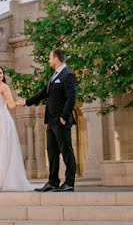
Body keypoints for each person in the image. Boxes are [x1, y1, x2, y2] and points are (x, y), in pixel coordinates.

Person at [17, 48, 77, 192]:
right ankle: (53, 182)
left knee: (66, 151)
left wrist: (64, 116)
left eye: (50, 58)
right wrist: (26, 101)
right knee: (52, 152)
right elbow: (44, 93)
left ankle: (69, 183)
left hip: (61, 120)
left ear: (56, 59)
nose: (49, 61)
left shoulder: (68, 75)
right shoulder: (55, 75)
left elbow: (71, 97)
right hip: (51, 120)